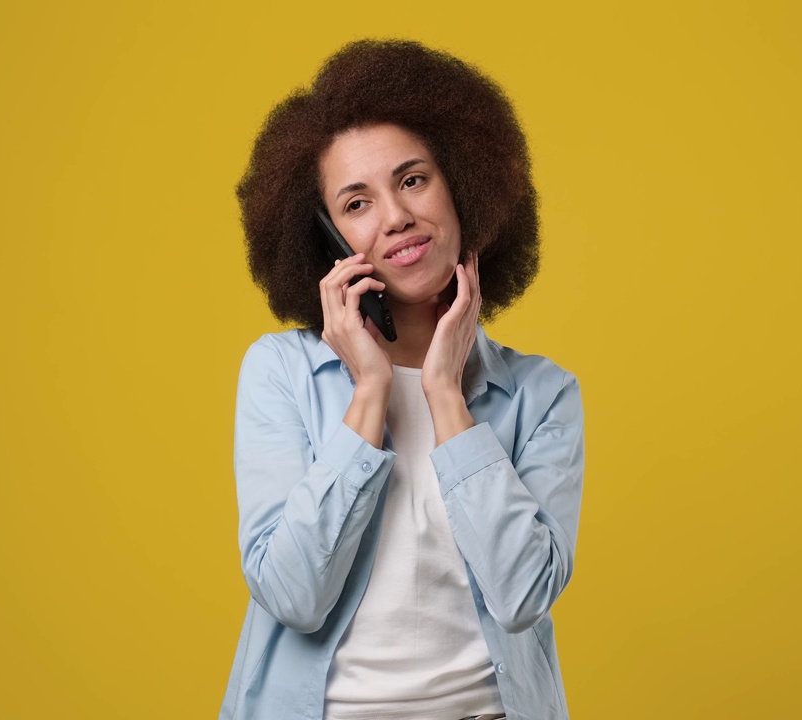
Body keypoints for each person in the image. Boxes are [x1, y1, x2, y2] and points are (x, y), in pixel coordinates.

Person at [220, 40, 584, 720]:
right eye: (356, 204)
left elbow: (523, 596)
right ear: (327, 241)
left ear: (463, 184)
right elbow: (294, 594)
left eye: (413, 180)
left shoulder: (541, 396)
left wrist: (446, 393)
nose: (395, 217)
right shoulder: (281, 373)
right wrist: (369, 391)